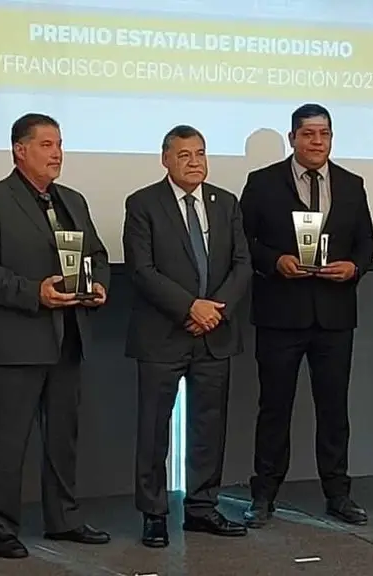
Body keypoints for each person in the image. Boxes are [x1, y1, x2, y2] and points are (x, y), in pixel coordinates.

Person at [0, 113, 111, 558]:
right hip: (11, 343)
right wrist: (34, 293)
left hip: (67, 338)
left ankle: (64, 518)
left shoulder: (72, 200)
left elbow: (97, 254)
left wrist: (98, 285)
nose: (57, 153)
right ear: (19, 150)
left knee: (63, 439)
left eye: (59, 144)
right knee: (3, 443)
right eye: (46, 145)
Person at [239, 103, 373, 527]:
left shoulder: (352, 184)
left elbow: (367, 243)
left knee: (334, 410)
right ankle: (263, 496)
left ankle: (338, 494)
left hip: (334, 315)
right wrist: (274, 260)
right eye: (308, 134)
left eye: (324, 134)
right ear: (292, 138)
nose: (317, 141)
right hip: (280, 313)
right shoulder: (262, 182)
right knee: (274, 408)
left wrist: (354, 267)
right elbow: (242, 241)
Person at [123, 125, 253, 547]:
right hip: (162, 335)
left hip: (215, 332)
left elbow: (242, 265)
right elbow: (142, 270)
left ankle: (202, 507)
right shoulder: (143, 203)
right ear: (165, 160)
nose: (195, 162)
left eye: (200, 153)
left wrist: (215, 311)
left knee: (208, 427)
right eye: (184, 155)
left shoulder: (225, 202)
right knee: (153, 429)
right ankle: (154, 513)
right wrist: (189, 307)